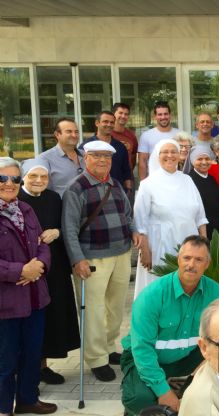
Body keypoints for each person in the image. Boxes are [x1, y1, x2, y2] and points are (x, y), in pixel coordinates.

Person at [121, 236, 219, 416]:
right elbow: (142, 348)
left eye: (198, 259)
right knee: (140, 398)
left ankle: (183, 389)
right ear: (178, 259)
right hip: (146, 356)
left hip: (188, 356)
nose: (191, 264)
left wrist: (197, 375)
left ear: (207, 264)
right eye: (186, 258)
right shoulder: (151, 296)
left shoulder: (217, 294)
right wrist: (163, 391)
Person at [62, 140, 140, 382]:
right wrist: (77, 260)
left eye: (106, 157)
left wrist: (134, 230)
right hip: (92, 258)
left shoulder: (115, 184)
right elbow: (69, 228)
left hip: (121, 253)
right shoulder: (76, 188)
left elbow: (127, 214)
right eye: (96, 156)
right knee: (93, 311)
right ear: (86, 158)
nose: (102, 161)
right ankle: (96, 359)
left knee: (115, 308)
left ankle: (107, 347)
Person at [0, 157, 57, 416]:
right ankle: (3, 408)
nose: (9, 183)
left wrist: (39, 266)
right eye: (3, 178)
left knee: (32, 353)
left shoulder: (26, 209)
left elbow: (42, 242)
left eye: (14, 178)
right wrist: (19, 271)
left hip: (35, 297)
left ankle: (27, 400)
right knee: (6, 360)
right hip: (6, 302)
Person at [18, 160, 79, 386]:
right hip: (26, 268)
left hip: (54, 267)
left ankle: (43, 367)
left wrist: (57, 232)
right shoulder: (16, 199)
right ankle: (27, 372)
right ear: (24, 176)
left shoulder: (54, 198)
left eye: (43, 177)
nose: (39, 181)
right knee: (29, 318)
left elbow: (69, 225)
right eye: (34, 176)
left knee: (51, 317)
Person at [134, 139, 207, 298]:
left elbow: (200, 217)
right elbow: (140, 222)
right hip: (159, 245)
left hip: (188, 243)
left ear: (179, 155)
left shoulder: (187, 180)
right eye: (165, 152)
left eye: (173, 151)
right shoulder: (148, 184)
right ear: (157, 156)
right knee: (159, 289)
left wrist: (205, 245)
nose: (170, 155)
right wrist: (144, 250)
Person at [80, 111, 133, 193]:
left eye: (112, 122)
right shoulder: (86, 146)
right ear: (97, 123)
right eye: (105, 121)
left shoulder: (121, 147)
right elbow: (80, 170)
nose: (109, 125)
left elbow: (126, 169)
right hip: (92, 192)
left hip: (117, 191)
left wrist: (128, 189)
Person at [36, 117, 84, 196]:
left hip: (89, 206)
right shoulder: (44, 159)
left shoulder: (87, 156)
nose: (74, 135)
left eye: (76, 132)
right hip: (62, 207)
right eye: (69, 131)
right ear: (57, 134)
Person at [186, 146, 219, 241]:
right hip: (198, 230)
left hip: (216, 227)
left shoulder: (212, 178)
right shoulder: (188, 180)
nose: (204, 162)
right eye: (199, 159)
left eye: (207, 159)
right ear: (193, 161)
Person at [138, 101, 180, 180]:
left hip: (175, 178)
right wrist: (142, 183)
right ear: (155, 116)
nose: (163, 117)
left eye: (166, 114)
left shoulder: (179, 134)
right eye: (160, 114)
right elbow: (142, 161)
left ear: (170, 115)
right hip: (154, 179)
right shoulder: (146, 135)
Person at [112, 102, 138, 181]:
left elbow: (133, 157)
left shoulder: (131, 136)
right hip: (109, 177)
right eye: (120, 113)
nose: (123, 116)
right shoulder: (107, 133)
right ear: (113, 114)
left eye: (126, 114)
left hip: (127, 178)